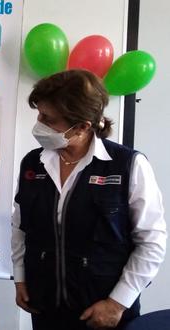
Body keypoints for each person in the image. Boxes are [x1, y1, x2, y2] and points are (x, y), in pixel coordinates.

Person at [12, 70, 166, 330]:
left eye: (48, 119)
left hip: (103, 312)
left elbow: (152, 242)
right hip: (44, 305)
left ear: (82, 126)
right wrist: (20, 278)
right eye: (39, 114)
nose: (38, 123)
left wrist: (118, 303)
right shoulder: (33, 162)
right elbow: (20, 226)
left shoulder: (127, 165)